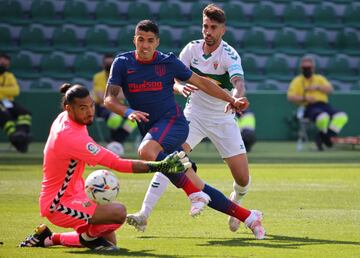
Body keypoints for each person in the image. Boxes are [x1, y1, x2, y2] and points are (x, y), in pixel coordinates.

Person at [104, 19, 265, 239]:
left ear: (157, 42)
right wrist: (127, 112)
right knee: (189, 178)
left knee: (148, 152)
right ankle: (248, 216)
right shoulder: (123, 62)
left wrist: (233, 99)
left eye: (150, 41)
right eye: (140, 40)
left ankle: (194, 195)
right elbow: (109, 99)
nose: (145, 45)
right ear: (134, 40)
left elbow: (204, 82)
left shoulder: (170, 61)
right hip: (184, 118)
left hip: (181, 121)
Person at [18, 83, 191, 251]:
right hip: (58, 204)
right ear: (68, 108)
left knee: (109, 241)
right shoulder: (71, 137)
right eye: (83, 108)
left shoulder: (65, 118)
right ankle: (88, 238)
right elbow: (118, 164)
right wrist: (160, 166)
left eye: (91, 106)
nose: (89, 112)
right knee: (118, 213)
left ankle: (51, 238)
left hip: (75, 193)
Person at [287, 55, 348, 151]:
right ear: (301, 68)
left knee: (342, 116)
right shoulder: (297, 81)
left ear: (313, 68)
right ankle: (326, 139)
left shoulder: (319, 79)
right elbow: (290, 97)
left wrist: (318, 87)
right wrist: (304, 98)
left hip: (324, 105)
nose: (306, 70)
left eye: (308, 68)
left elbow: (330, 90)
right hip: (309, 107)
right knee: (323, 117)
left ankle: (322, 138)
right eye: (304, 68)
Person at [93, 53, 138, 144]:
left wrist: (110, 95)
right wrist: (115, 94)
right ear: (103, 65)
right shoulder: (98, 77)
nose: (109, 66)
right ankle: (115, 142)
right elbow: (101, 97)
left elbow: (123, 95)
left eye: (111, 63)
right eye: (107, 64)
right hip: (103, 107)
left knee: (134, 118)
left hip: (118, 105)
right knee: (115, 118)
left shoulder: (119, 76)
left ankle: (115, 141)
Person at [0, 53, 32, 153]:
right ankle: (16, 138)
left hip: (7, 102)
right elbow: (10, 91)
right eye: (2, 64)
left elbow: (15, 91)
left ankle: (21, 134)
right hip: (3, 103)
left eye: (5, 65)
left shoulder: (9, 76)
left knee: (25, 113)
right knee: (5, 115)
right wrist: (5, 91)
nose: (4, 67)